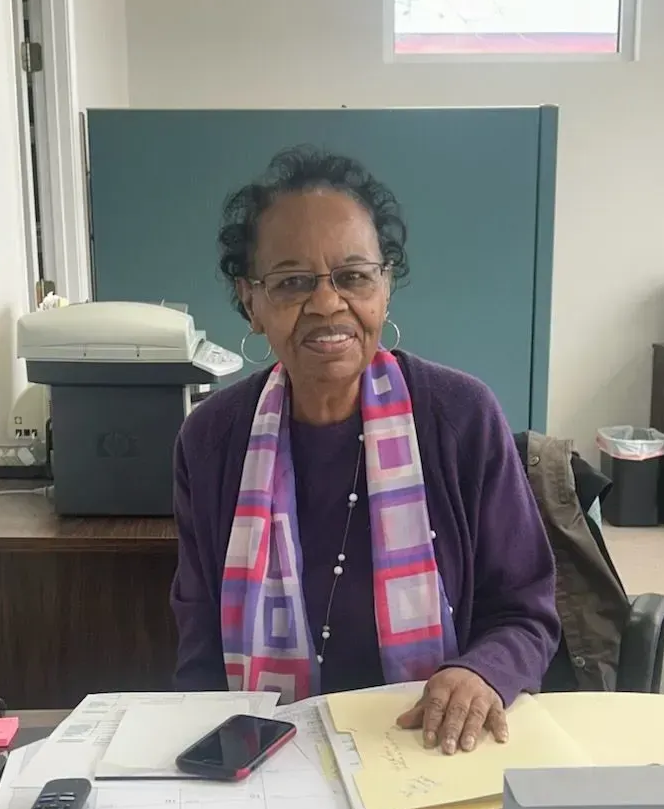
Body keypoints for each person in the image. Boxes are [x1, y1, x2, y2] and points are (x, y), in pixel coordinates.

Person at [171, 147, 560, 755]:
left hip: (428, 747)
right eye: (292, 282)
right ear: (251, 302)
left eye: (354, 277)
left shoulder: (461, 417)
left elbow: (525, 613)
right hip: (267, 754)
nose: (328, 304)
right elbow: (200, 651)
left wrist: (480, 672)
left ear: (385, 288)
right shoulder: (212, 440)